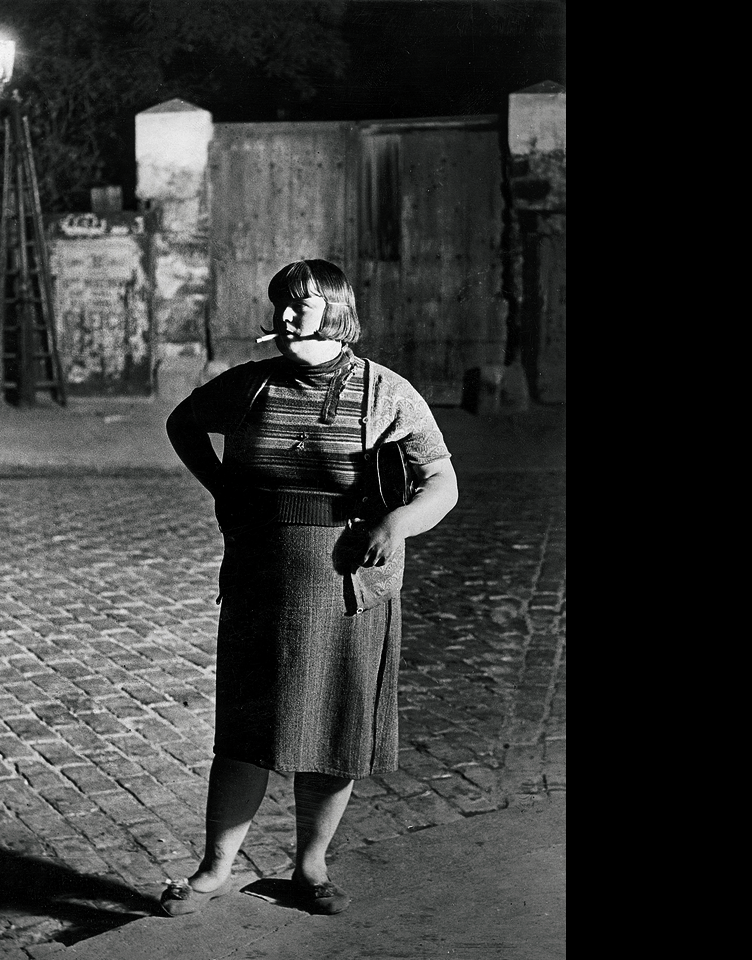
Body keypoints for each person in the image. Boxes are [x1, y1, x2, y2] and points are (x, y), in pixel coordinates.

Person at [160, 258, 458, 917]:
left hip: (349, 589)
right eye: (282, 303)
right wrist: (223, 487)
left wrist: (397, 522)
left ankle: (310, 868)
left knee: (335, 730)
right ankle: (213, 870)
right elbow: (184, 423)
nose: (288, 314)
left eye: (304, 303)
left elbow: (442, 482)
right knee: (244, 732)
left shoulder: (386, 392)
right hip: (260, 583)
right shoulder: (249, 387)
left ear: (339, 313)